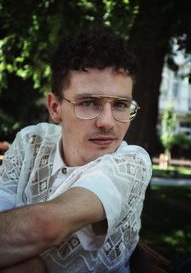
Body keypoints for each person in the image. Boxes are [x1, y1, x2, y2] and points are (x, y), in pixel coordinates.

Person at [0, 27, 152, 272]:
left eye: (121, 104)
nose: (107, 122)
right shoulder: (31, 142)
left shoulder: (132, 164)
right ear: (55, 107)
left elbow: (45, 225)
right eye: (89, 102)